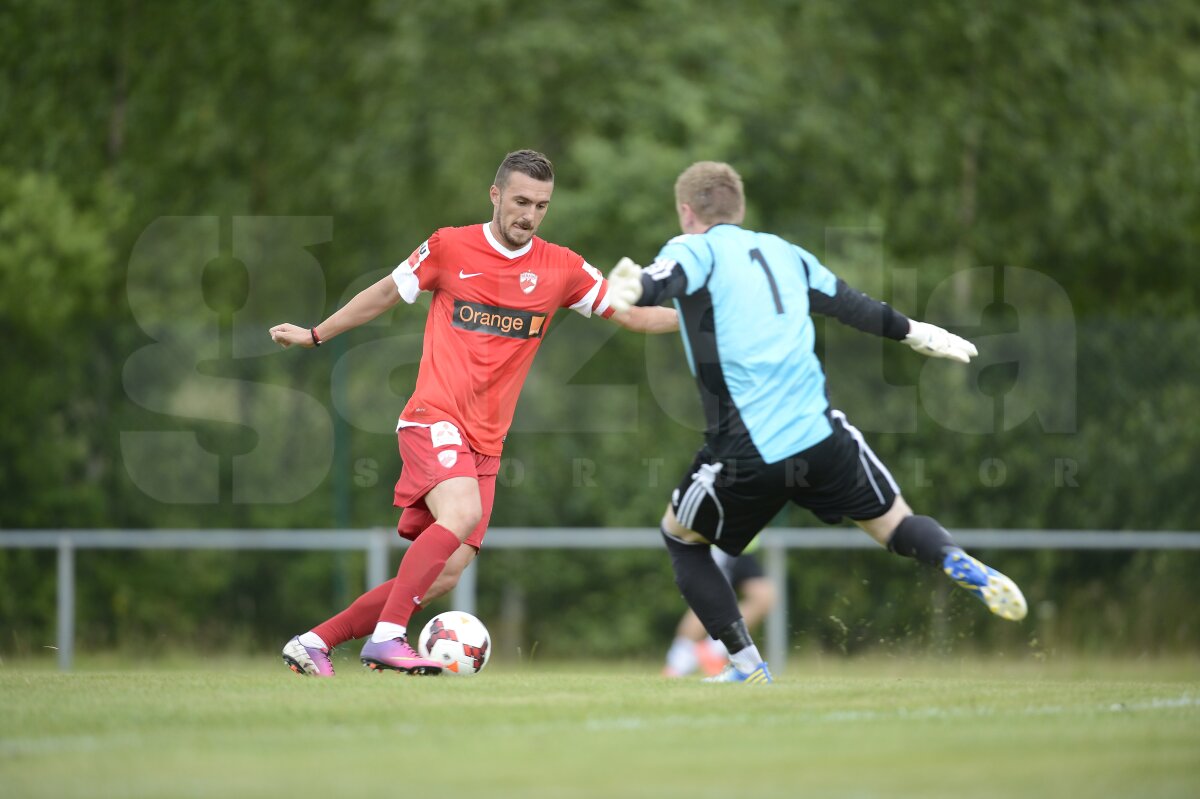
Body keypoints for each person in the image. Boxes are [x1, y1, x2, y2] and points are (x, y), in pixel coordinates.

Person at [608, 161, 1026, 685]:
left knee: (682, 541)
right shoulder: (785, 253)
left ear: (686, 211)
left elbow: (665, 278)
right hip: (821, 437)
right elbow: (853, 305)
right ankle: (954, 558)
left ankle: (746, 667)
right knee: (895, 524)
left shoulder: (696, 246)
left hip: (747, 448)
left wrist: (638, 285)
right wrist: (918, 332)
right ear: (739, 208)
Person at [271, 149, 675, 677]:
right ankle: (388, 638)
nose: (529, 215)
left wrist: (707, 315)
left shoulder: (561, 267)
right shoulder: (449, 245)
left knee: (444, 574)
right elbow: (388, 292)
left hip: (487, 442)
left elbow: (636, 317)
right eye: (521, 201)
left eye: (541, 206)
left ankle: (314, 641)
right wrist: (316, 333)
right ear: (496, 195)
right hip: (432, 417)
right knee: (459, 516)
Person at [662, 544, 776, 678]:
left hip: (744, 547)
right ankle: (677, 664)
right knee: (709, 601)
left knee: (764, 597)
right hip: (723, 544)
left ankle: (713, 650)